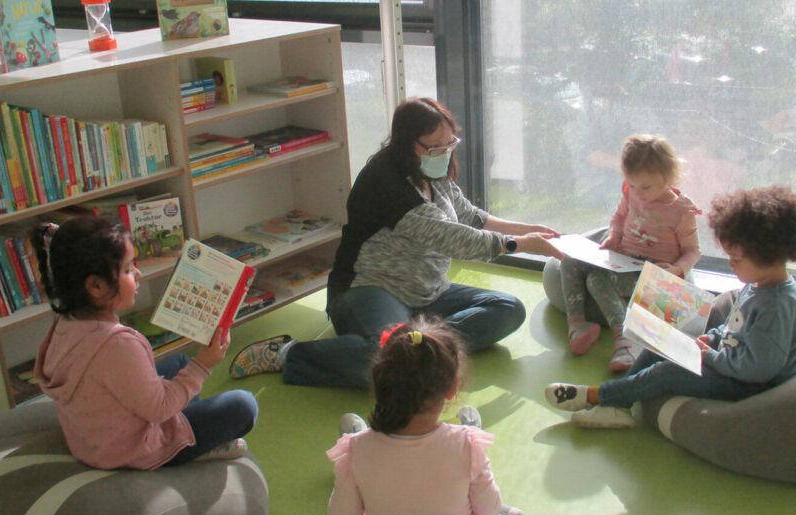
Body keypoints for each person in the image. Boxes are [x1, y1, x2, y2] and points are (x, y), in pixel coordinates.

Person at [228, 97, 563, 388]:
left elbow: (468, 215)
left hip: (426, 292)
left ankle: (416, 346)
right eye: (435, 147)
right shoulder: (385, 183)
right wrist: (518, 244)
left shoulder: (431, 170)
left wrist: (529, 228)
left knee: (508, 310)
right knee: (384, 362)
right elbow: (454, 238)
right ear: (407, 144)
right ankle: (290, 354)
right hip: (368, 289)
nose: (444, 153)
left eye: (450, 145)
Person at [546, 185, 796, 429]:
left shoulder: (777, 307)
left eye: (736, 259)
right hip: (729, 363)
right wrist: (713, 336)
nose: (731, 265)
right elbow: (735, 327)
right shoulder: (758, 285)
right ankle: (620, 405)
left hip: (748, 385)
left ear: (769, 256)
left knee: (668, 372)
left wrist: (710, 357)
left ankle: (595, 396)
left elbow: (757, 370)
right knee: (659, 343)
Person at [30, 215, 258, 469]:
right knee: (244, 405)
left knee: (178, 362)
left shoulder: (65, 322)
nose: (138, 273)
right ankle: (189, 449)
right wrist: (202, 365)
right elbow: (159, 410)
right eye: (128, 269)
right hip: (131, 451)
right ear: (95, 286)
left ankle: (189, 422)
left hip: (93, 440)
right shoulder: (118, 345)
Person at [324, 317, 500, 515]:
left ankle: (361, 434)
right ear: (452, 387)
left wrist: (354, 466)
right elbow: (491, 510)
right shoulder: (468, 447)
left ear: (379, 387)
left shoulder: (356, 451)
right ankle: (468, 427)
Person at [559, 134, 702, 372]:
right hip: (624, 261)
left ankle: (626, 340)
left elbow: (693, 251)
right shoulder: (631, 192)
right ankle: (577, 325)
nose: (639, 192)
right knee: (568, 261)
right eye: (632, 185)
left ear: (668, 177)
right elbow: (618, 218)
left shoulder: (681, 210)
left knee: (596, 279)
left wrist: (677, 269)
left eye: (646, 186)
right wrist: (614, 236)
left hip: (654, 275)